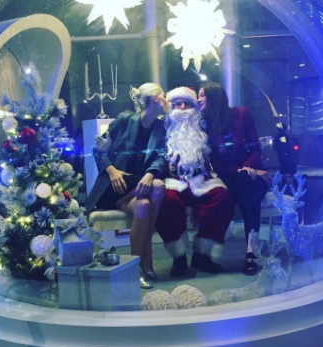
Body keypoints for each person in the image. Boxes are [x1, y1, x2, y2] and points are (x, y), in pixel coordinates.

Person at [85, 83, 168, 289]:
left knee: (144, 206)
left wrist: (149, 174)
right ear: (155, 98)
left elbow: (161, 157)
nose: (167, 100)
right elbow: (98, 150)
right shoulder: (124, 120)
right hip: (113, 187)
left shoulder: (160, 127)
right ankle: (146, 257)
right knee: (158, 186)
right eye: (164, 96)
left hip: (137, 190)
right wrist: (112, 170)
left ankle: (133, 267)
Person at [155, 87, 234, 276]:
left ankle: (202, 256)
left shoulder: (204, 129)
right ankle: (179, 257)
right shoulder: (162, 130)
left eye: (188, 103)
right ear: (171, 107)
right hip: (174, 180)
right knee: (168, 201)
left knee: (221, 198)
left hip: (202, 179)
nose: (183, 108)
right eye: (177, 104)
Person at [198, 82, 271, 274]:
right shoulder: (205, 126)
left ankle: (250, 252)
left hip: (253, 174)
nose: (198, 99)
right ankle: (250, 252)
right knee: (241, 193)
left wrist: (248, 169)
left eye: (202, 95)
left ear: (214, 97)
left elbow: (255, 147)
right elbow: (216, 162)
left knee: (249, 191)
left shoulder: (241, 113)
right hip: (231, 177)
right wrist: (241, 171)